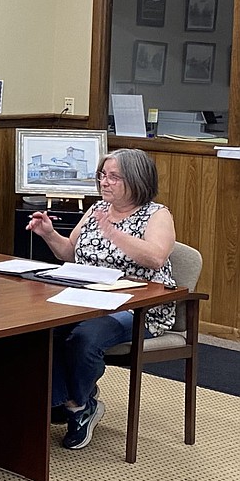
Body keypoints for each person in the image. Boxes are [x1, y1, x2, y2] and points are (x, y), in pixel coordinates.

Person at [27, 148, 176, 450]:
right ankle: (68, 402)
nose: (104, 183)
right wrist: (48, 234)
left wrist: (112, 231)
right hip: (88, 299)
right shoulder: (97, 209)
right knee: (41, 328)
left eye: (113, 177)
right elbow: (70, 253)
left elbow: (156, 258)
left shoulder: (157, 214)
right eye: (101, 176)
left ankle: (78, 406)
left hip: (138, 306)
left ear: (136, 180)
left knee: (85, 337)